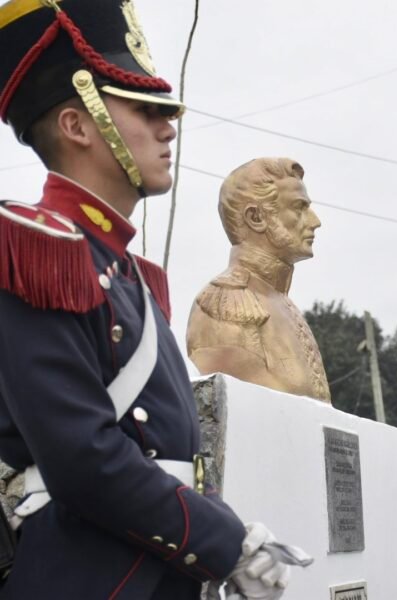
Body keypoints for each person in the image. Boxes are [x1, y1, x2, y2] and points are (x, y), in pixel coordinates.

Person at [0, 1, 301, 598]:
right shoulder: (33, 249)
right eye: (146, 109)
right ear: (78, 125)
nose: (169, 127)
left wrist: (223, 542)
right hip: (87, 576)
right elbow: (83, 458)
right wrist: (225, 541)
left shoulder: (133, 274)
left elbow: (168, 451)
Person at [186, 158, 331, 402]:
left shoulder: (280, 303)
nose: (315, 221)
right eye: (299, 207)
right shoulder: (225, 303)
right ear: (256, 217)